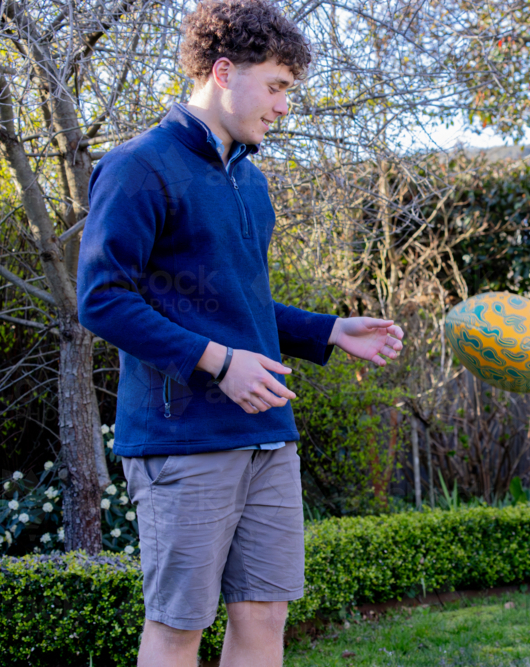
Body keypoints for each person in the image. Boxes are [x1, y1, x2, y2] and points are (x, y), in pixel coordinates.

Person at [76, 1, 403, 664]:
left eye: (290, 90)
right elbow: (102, 299)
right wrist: (219, 362)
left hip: (266, 436)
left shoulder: (251, 183)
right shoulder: (140, 167)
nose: (284, 106)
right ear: (224, 71)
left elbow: (240, 303)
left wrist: (331, 330)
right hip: (183, 440)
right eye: (277, 86)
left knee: (264, 614)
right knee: (178, 627)